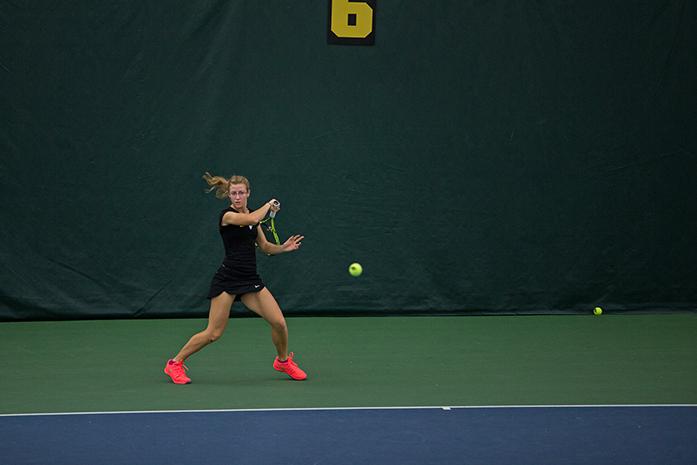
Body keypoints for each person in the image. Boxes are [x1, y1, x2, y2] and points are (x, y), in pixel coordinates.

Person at [164, 173, 307, 384]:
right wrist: (268, 204)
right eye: (234, 194)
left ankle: (283, 361)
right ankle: (174, 364)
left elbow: (266, 247)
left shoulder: (253, 219)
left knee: (279, 323)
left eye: (241, 193)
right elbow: (251, 219)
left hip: (250, 279)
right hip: (228, 279)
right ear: (229, 196)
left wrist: (284, 248)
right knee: (213, 333)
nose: (237, 197)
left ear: (248, 193)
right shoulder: (227, 216)